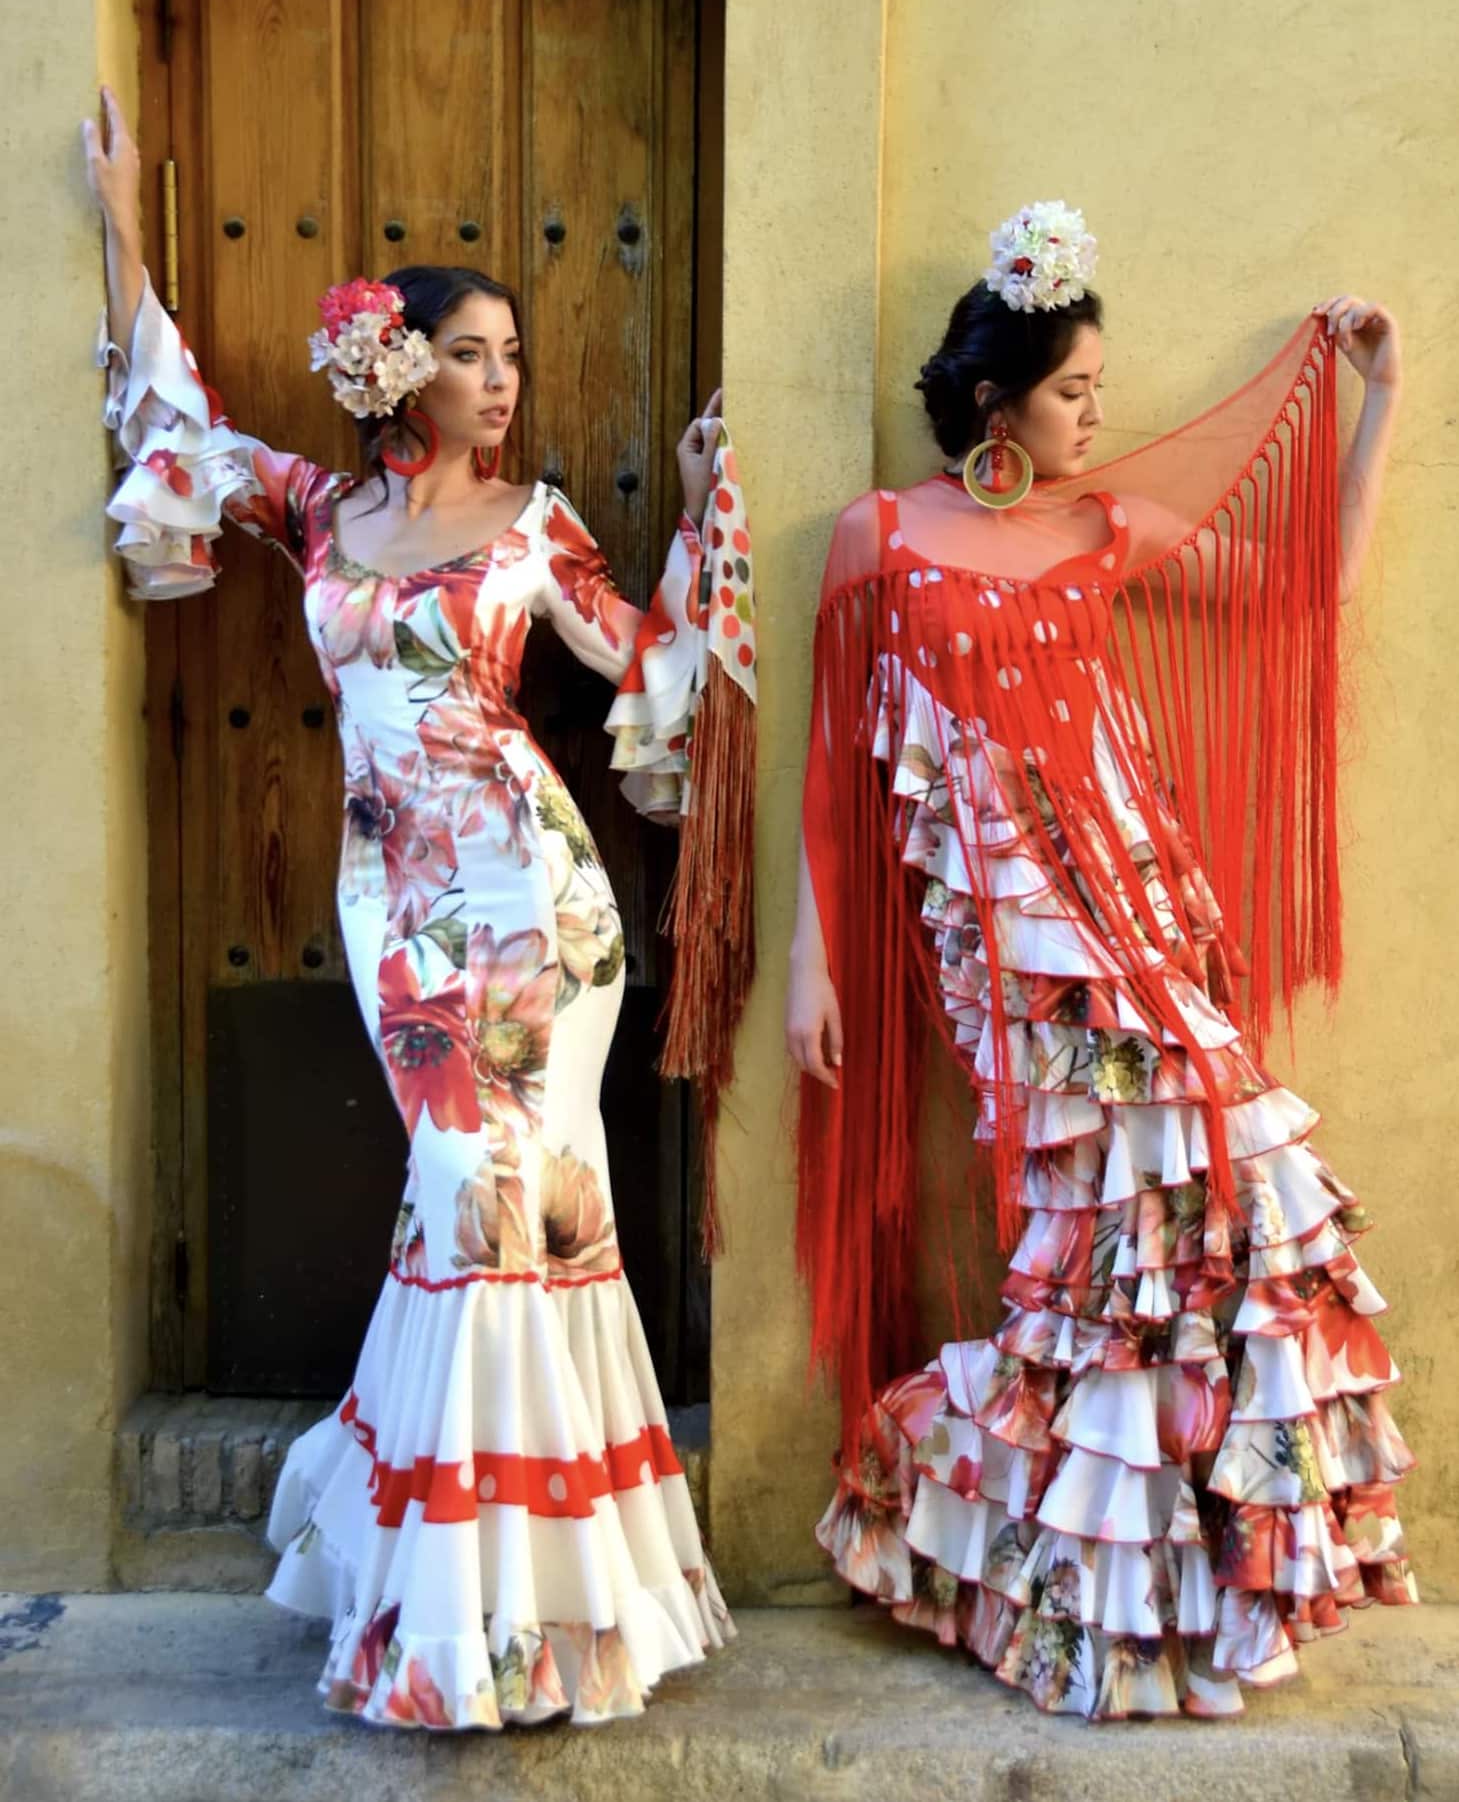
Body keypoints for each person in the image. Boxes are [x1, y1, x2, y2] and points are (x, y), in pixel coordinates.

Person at [85, 87, 733, 1730]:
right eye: (474, 351)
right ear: (399, 369)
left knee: (515, 1201)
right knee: (468, 1197)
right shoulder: (321, 513)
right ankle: (472, 1596)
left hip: (539, 895)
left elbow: (644, 665)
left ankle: (533, 1616)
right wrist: (122, 234)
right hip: (399, 903)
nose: (504, 378)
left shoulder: (538, 528)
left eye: (516, 354)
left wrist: (708, 508)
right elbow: (180, 431)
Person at [788, 200, 1413, 1720]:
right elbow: (831, 766)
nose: (1097, 415)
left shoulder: (1100, 525)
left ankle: (1152, 1586)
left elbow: (1302, 589)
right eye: (1076, 389)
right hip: (1004, 929)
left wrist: (1381, 400)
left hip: (1135, 897)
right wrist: (817, 958)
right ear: (995, 396)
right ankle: (1025, 1551)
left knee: (1216, 1192)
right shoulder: (882, 533)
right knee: (1102, 1221)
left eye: (1101, 390)